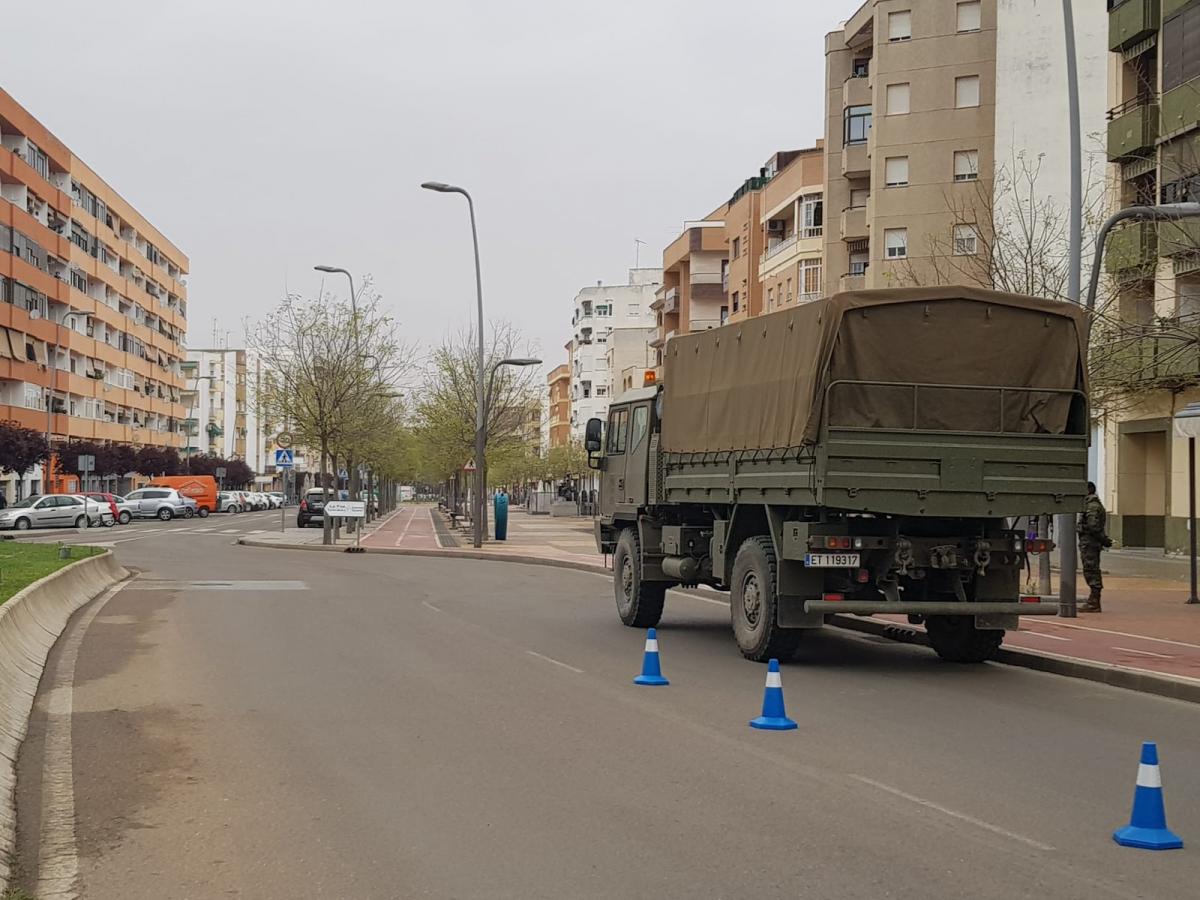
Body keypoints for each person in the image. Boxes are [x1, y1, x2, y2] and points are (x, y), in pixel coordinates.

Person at [1077, 481, 1112, 612]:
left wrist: (1104, 540)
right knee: (1091, 569)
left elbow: (1093, 526)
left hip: (1090, 543)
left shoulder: (1092, 506)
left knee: (1091, 570)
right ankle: (1093, 600)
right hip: (1090, 542)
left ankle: (1094, 601)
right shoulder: (1091, 504)